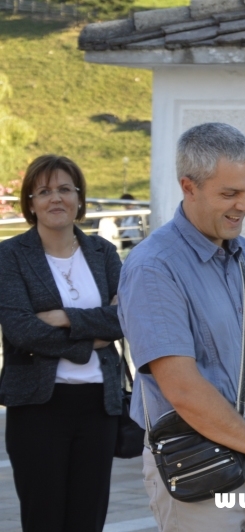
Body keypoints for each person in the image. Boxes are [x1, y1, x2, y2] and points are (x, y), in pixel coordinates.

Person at [117, 123, 245, 531]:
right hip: (200, 469)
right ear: (189, 187)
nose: (244, 204)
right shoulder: (154, 267)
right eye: (229, 193)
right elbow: (181, 388)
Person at [0, 155, 124, 532]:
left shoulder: (103, 253)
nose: (56, 198)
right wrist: (90, 341)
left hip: (99, 408)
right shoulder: (10, 255)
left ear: (79, 198)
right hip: (39, 409)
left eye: (65, 189)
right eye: (44, 191)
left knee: (88, 520)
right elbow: (21, 329)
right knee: (45, 520)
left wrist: (65, 317)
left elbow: (126, 317)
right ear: (31, 203)